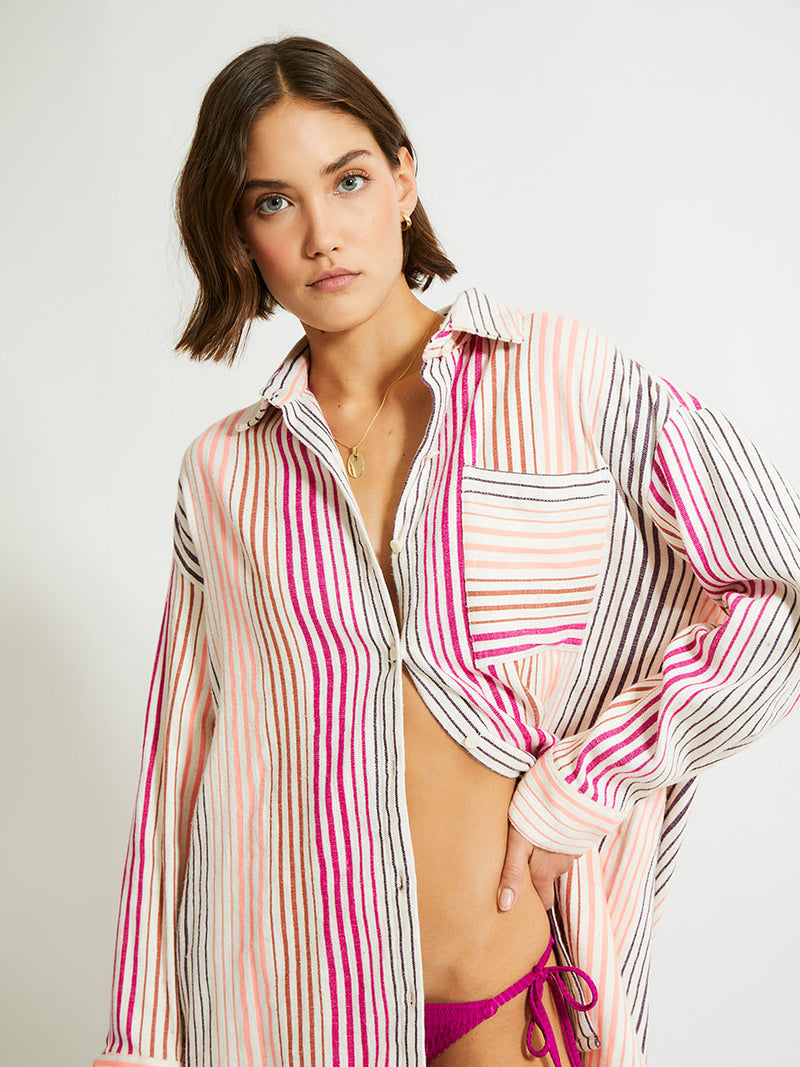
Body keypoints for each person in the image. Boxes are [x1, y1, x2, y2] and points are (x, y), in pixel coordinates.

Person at [92, 35, 800, 1067]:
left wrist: (586, 785)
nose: (325, 232)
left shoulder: (559, 375)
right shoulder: (223, 472)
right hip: (290, 1012)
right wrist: (142, 1038)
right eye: (274, 201)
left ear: (403, 180)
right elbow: (179, 767)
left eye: (348, 180)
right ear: (240, 236)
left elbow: (774, 587)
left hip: (508, 997)